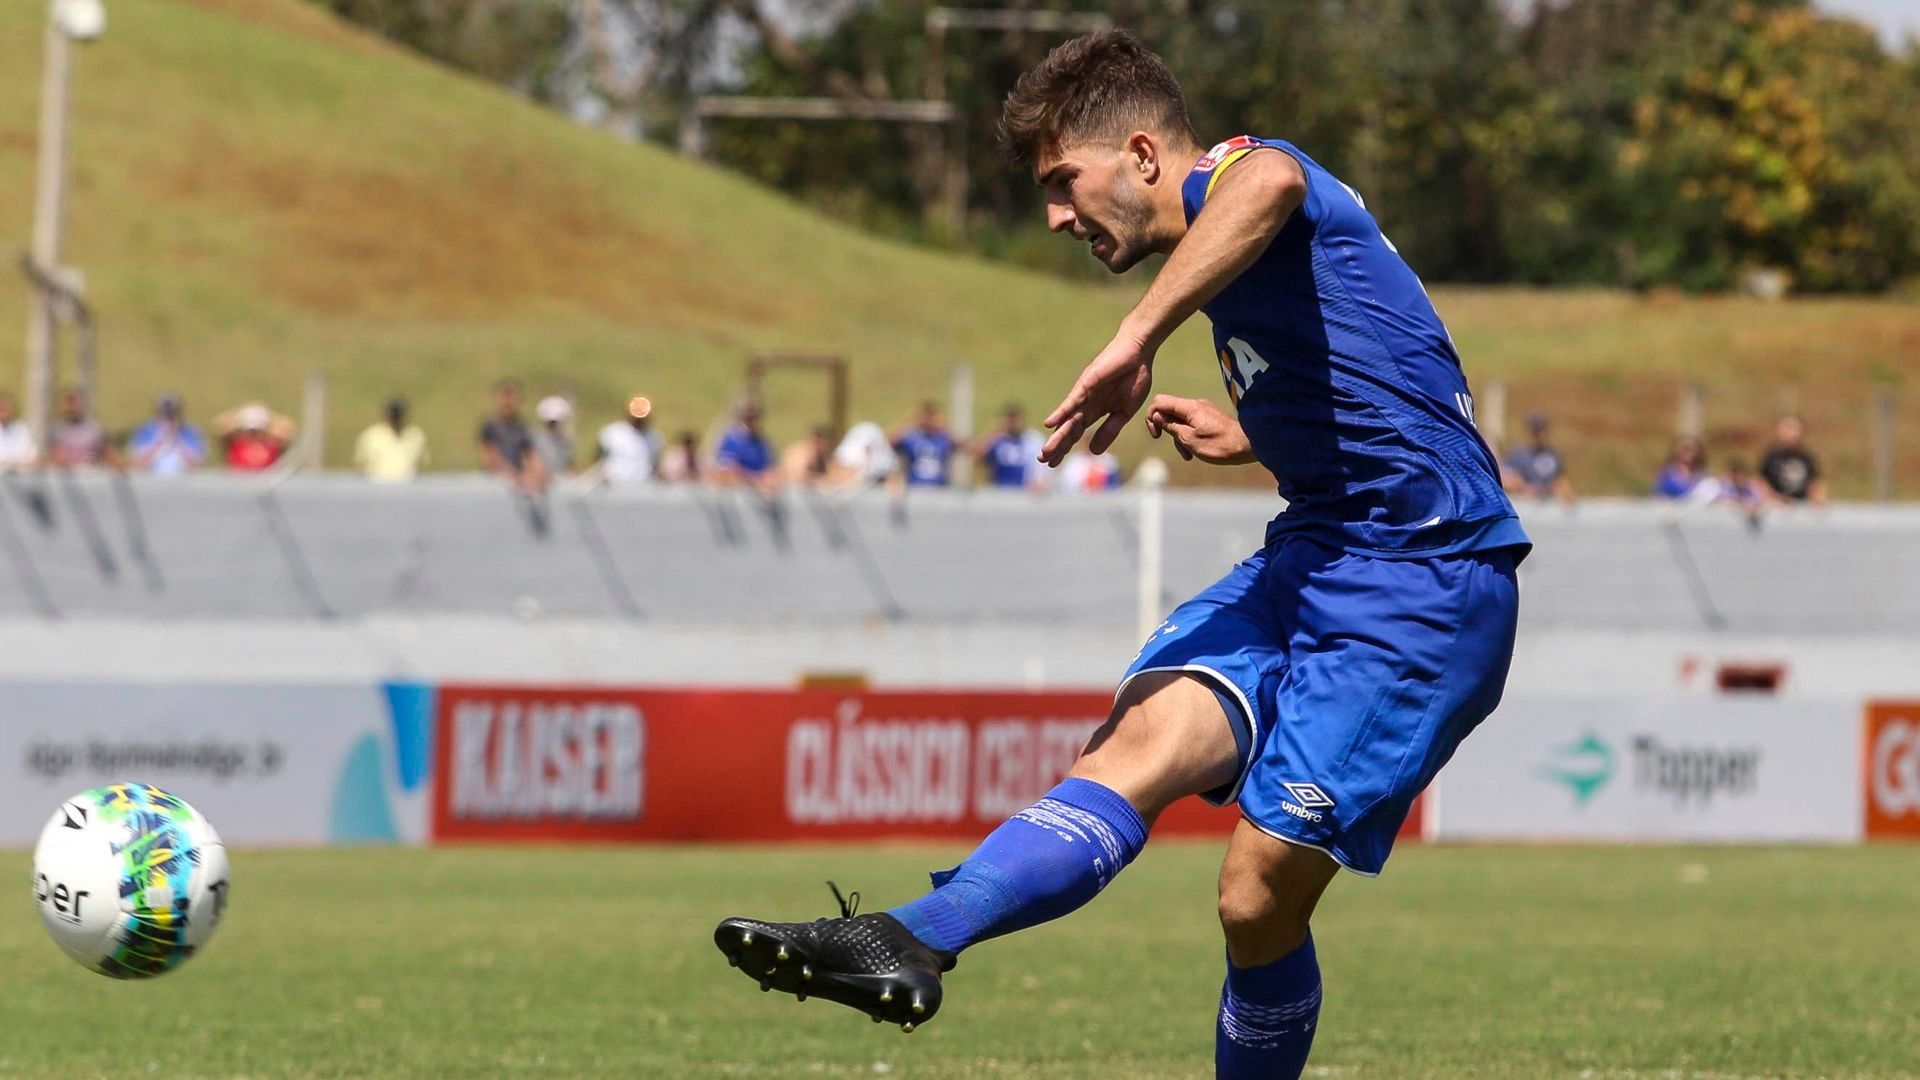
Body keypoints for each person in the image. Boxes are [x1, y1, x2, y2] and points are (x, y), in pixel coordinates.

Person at [714, 31, 1529, 1080]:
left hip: (1424, 581)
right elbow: (1383, 388)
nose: (1055, 216)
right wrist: (1254, 431)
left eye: (1064, 182)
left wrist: (1137, 335)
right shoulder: (1243, 256)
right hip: (1315, 556)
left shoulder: (1246, 175)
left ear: (1144, 156)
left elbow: (1274, 176)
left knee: (1253, 899)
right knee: (1136, 743)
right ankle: (912, 935)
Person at [478, 379, 544, 493]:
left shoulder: (522, 427)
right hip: (498, 482)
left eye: (513, 397)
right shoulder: (491, 426)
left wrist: (536, 473)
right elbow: (489, 456)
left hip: (518, 482)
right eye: (506, 396)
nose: (509, 402)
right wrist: (511, 474)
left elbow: (529, 455)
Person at [1501, 413, 1574, 503]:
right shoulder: (1517, 454)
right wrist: (1524, 487)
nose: (1537, 435)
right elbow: (1506, 480)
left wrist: (1564, 491)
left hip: (1549, 502)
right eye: (1534, 432)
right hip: (1524, 502)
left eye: (1540, 431)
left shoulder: (1552, 454)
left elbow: (1560, 479)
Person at [128, 392, 207, 476]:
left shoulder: (190, 432)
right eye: (165, 412)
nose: (168, 416)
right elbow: (137, 463)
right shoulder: (145, 431)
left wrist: (176, 439)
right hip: (151, 481)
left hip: (183, 482)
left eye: (172, 413)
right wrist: (160, 441)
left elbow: (194, 466)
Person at [354, 398, 429, 482]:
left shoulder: (416, 436)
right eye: (393, 415)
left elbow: (422, 464)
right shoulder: (370, 436)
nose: (395, 419)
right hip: (377, 484)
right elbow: (361, 464)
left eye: (398, 415)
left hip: (408, 485)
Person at [1759, 415, 1826, 506]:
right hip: (1776, 506)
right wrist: (1776, 498)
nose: (1791, 434)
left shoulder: (1806, 457)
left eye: (1794, 430)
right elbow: (1761, 482)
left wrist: (1817, 499)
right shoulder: (1772, 456)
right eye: (1788, 429)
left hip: (1801, 506)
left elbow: (1815, 484)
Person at [212, 402, 296, 472]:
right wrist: (239, 417)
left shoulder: (272, 445)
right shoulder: (236, 444)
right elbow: (220, 427)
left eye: (258, 431)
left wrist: (269, 416)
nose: (254, 434)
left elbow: (289, 430)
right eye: (250, 431)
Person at [713, 405, 778, 495]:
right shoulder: (733, 439)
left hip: (759, 485)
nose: (752, 422)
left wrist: (765, 478)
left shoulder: (762, 442)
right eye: (749, 419)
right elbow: (729, 467)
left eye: (755, 419)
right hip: (740, 486)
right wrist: (753, 479)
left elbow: (770, 466)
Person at [597, 396, 661, 487]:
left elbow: (655, 465)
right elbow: (599, 459)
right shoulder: (612, 433)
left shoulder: (654, 438)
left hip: (642, 487)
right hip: (614, 486)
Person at [891, 401, 956, 487]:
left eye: (931, 418)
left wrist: (943, 425)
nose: (928, 421)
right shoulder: (911, 438)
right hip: (914, 486)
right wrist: (909, 423)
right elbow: (888, 440)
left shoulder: (943, 438)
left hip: (939, 488)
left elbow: (964, 445)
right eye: (926, 418)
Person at [975, 404, 1036, 489]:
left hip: (1021, 489)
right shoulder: (998, 441)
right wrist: (994, 434)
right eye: (1011, 419)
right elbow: (978, 455)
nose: (1015, 423)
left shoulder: (1030, 441)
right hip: (999, 488)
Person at [47, 389, 112, 468]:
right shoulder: (56, 430)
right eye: (68, 404)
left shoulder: (94, 429)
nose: (71, 408)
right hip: (66, 475)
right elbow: (53, 454)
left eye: (74, 403)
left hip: (89, 475)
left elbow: (106, 452)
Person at [1652, 436, 1719, 502]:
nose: (1688, 452)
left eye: (1692, 449)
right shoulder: (1666, 474)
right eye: (1685, 449)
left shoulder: (1703, 475)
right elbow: (1658, 496)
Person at [532, 395, 576, 477]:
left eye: (555, 422)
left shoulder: (565, 441)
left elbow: (569, 463)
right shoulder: (536, 438)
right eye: (551, 422)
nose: (553, 425)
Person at [0, 392, 37, 470]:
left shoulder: (21, 429)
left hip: (21, 476)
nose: (3, 410)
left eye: (5, 407)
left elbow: (32, 457)